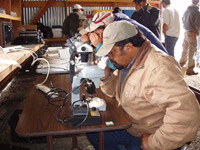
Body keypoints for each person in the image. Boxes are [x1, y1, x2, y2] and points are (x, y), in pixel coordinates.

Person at [87, 20, 200, 150]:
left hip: (151, 134)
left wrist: (154, 142)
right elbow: (114, 93)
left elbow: (187, 114)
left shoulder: (159, 69)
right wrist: (107, 77)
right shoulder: (129, 61)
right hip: (131, 124)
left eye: (111, 52)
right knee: (94, 132)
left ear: (128, 47)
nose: (109, 57)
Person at [179, 0, 200, 75]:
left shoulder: (186, 9)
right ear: (198, 2)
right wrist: (198, 31)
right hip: (192, 33)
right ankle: (190, 70)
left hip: (186, 32)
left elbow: (182, 19)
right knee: (192, 52)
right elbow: (197, 24)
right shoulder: (196, 11)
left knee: (185, 50)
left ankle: (180, 66)